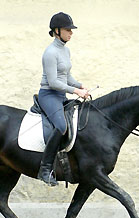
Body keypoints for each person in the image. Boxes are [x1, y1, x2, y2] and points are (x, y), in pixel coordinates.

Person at [37, 12, 89, 186]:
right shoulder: (50, 53)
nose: (71, 33)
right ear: (57, 31)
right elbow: (53, 82)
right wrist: (75, 91)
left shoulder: (65, 50)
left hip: (61, 95)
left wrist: (80, 86)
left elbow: (66, 76)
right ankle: (45, 169)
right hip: (49, 95)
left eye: (71, 30)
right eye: (68, 30)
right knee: (61, 126)